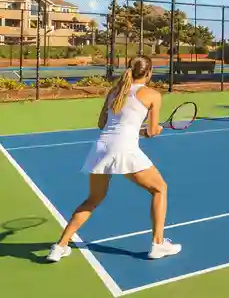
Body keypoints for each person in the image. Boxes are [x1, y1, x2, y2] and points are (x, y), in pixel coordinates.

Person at [47, 55, 181, 263]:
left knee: (93, 199)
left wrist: (138, 131)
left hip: (101, 148)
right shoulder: (152, 94)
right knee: (160, 188)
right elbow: (153, 131)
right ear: (149, 73)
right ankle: (158, 244)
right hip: (124, 149)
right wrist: (153, 130)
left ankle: (59, 246)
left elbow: (103, 124)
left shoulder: (114, 92)